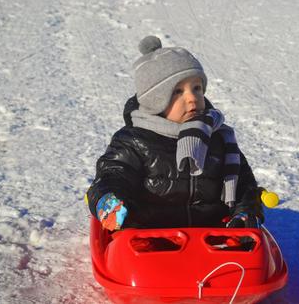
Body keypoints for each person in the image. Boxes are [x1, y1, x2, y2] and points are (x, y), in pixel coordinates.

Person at [86, 35, 264, 231]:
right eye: (178, 92)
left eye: (197, 88)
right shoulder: (134, 141)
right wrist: (108, 200)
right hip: (149, 236)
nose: (192, 98)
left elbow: (243, 184)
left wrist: (245, 212)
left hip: (209, 238)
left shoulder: (216, 136)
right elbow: (112, 175)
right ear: (155, 101)